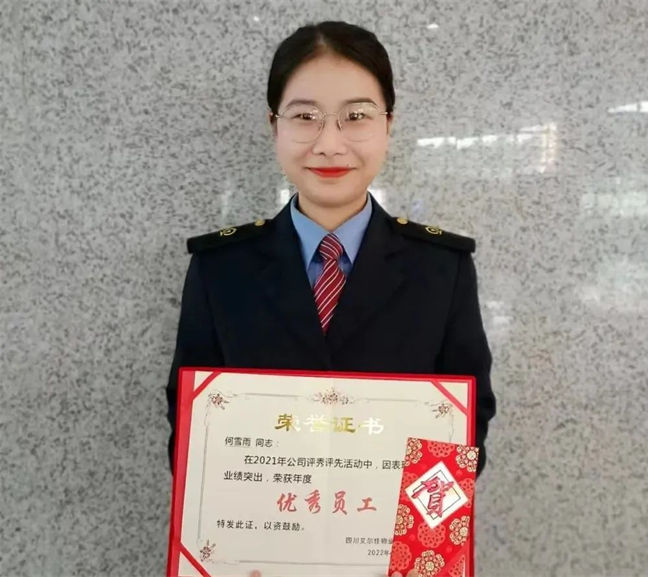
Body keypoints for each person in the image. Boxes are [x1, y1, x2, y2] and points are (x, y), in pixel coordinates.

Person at [166, 20, 496, 577]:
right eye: (305, 116)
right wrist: (235, 531)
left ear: (389, 124)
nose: (329, 143)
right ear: (273, 126)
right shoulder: (220, 267)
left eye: (356, 116)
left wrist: (412, 544)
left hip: (390, 557)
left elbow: (466, 419)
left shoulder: (442, 268)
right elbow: (190, 416)